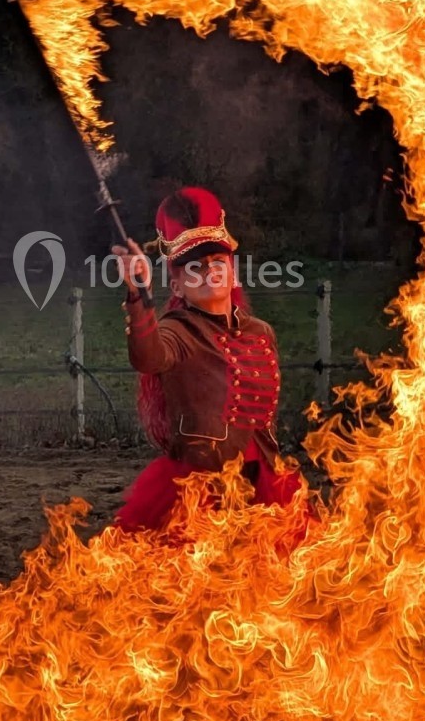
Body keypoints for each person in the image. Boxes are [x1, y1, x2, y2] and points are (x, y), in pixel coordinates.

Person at [111, 186, 311, 536]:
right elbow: (148, 356)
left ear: (233, 273)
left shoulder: (261, 332)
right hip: (199, 488)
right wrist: (138, 294)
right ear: (176, 288)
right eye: (195, 267)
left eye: (218, 262)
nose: (210, 271)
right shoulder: (178, 330)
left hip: (261, 484)